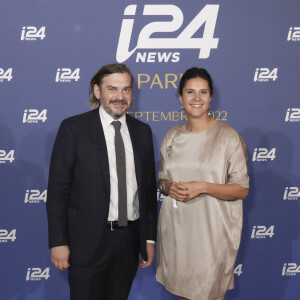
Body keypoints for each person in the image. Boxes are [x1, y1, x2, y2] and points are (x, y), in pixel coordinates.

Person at [46, 63, 157, 300]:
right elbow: (57, 191)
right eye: (112, 89)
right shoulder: (74, 128)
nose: (120, 96)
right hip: (87, 242)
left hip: (129, 240)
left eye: (126, 90)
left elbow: (147, 191)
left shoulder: (142, 132)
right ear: (97, 91)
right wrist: (58, 241)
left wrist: (148, 237)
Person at [156, 67, 249, 300]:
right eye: (190, 92)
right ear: (180, 98)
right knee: (184, 294)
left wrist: (203, 186)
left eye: (203, 92)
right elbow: (162, 178)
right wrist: (167, 187)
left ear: (210, 97)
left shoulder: (228, 136)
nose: (196, 98)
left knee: (205, 293)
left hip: (212, 234)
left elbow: (241, 189)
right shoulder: (171, 136)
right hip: (177, 231)